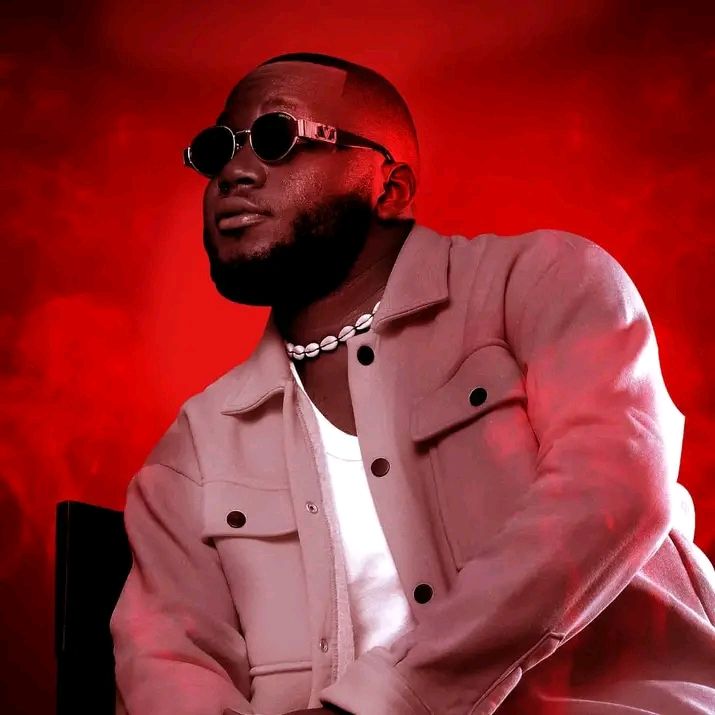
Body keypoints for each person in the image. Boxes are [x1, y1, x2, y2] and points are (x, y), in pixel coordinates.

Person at [109, 52, 715, 715]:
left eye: (277, 138)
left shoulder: (542, 284)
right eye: (217, 149)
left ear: (390, 187)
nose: (235, 171)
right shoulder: (193, 449)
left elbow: (611, 492)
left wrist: (397, 698)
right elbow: (168, 657)